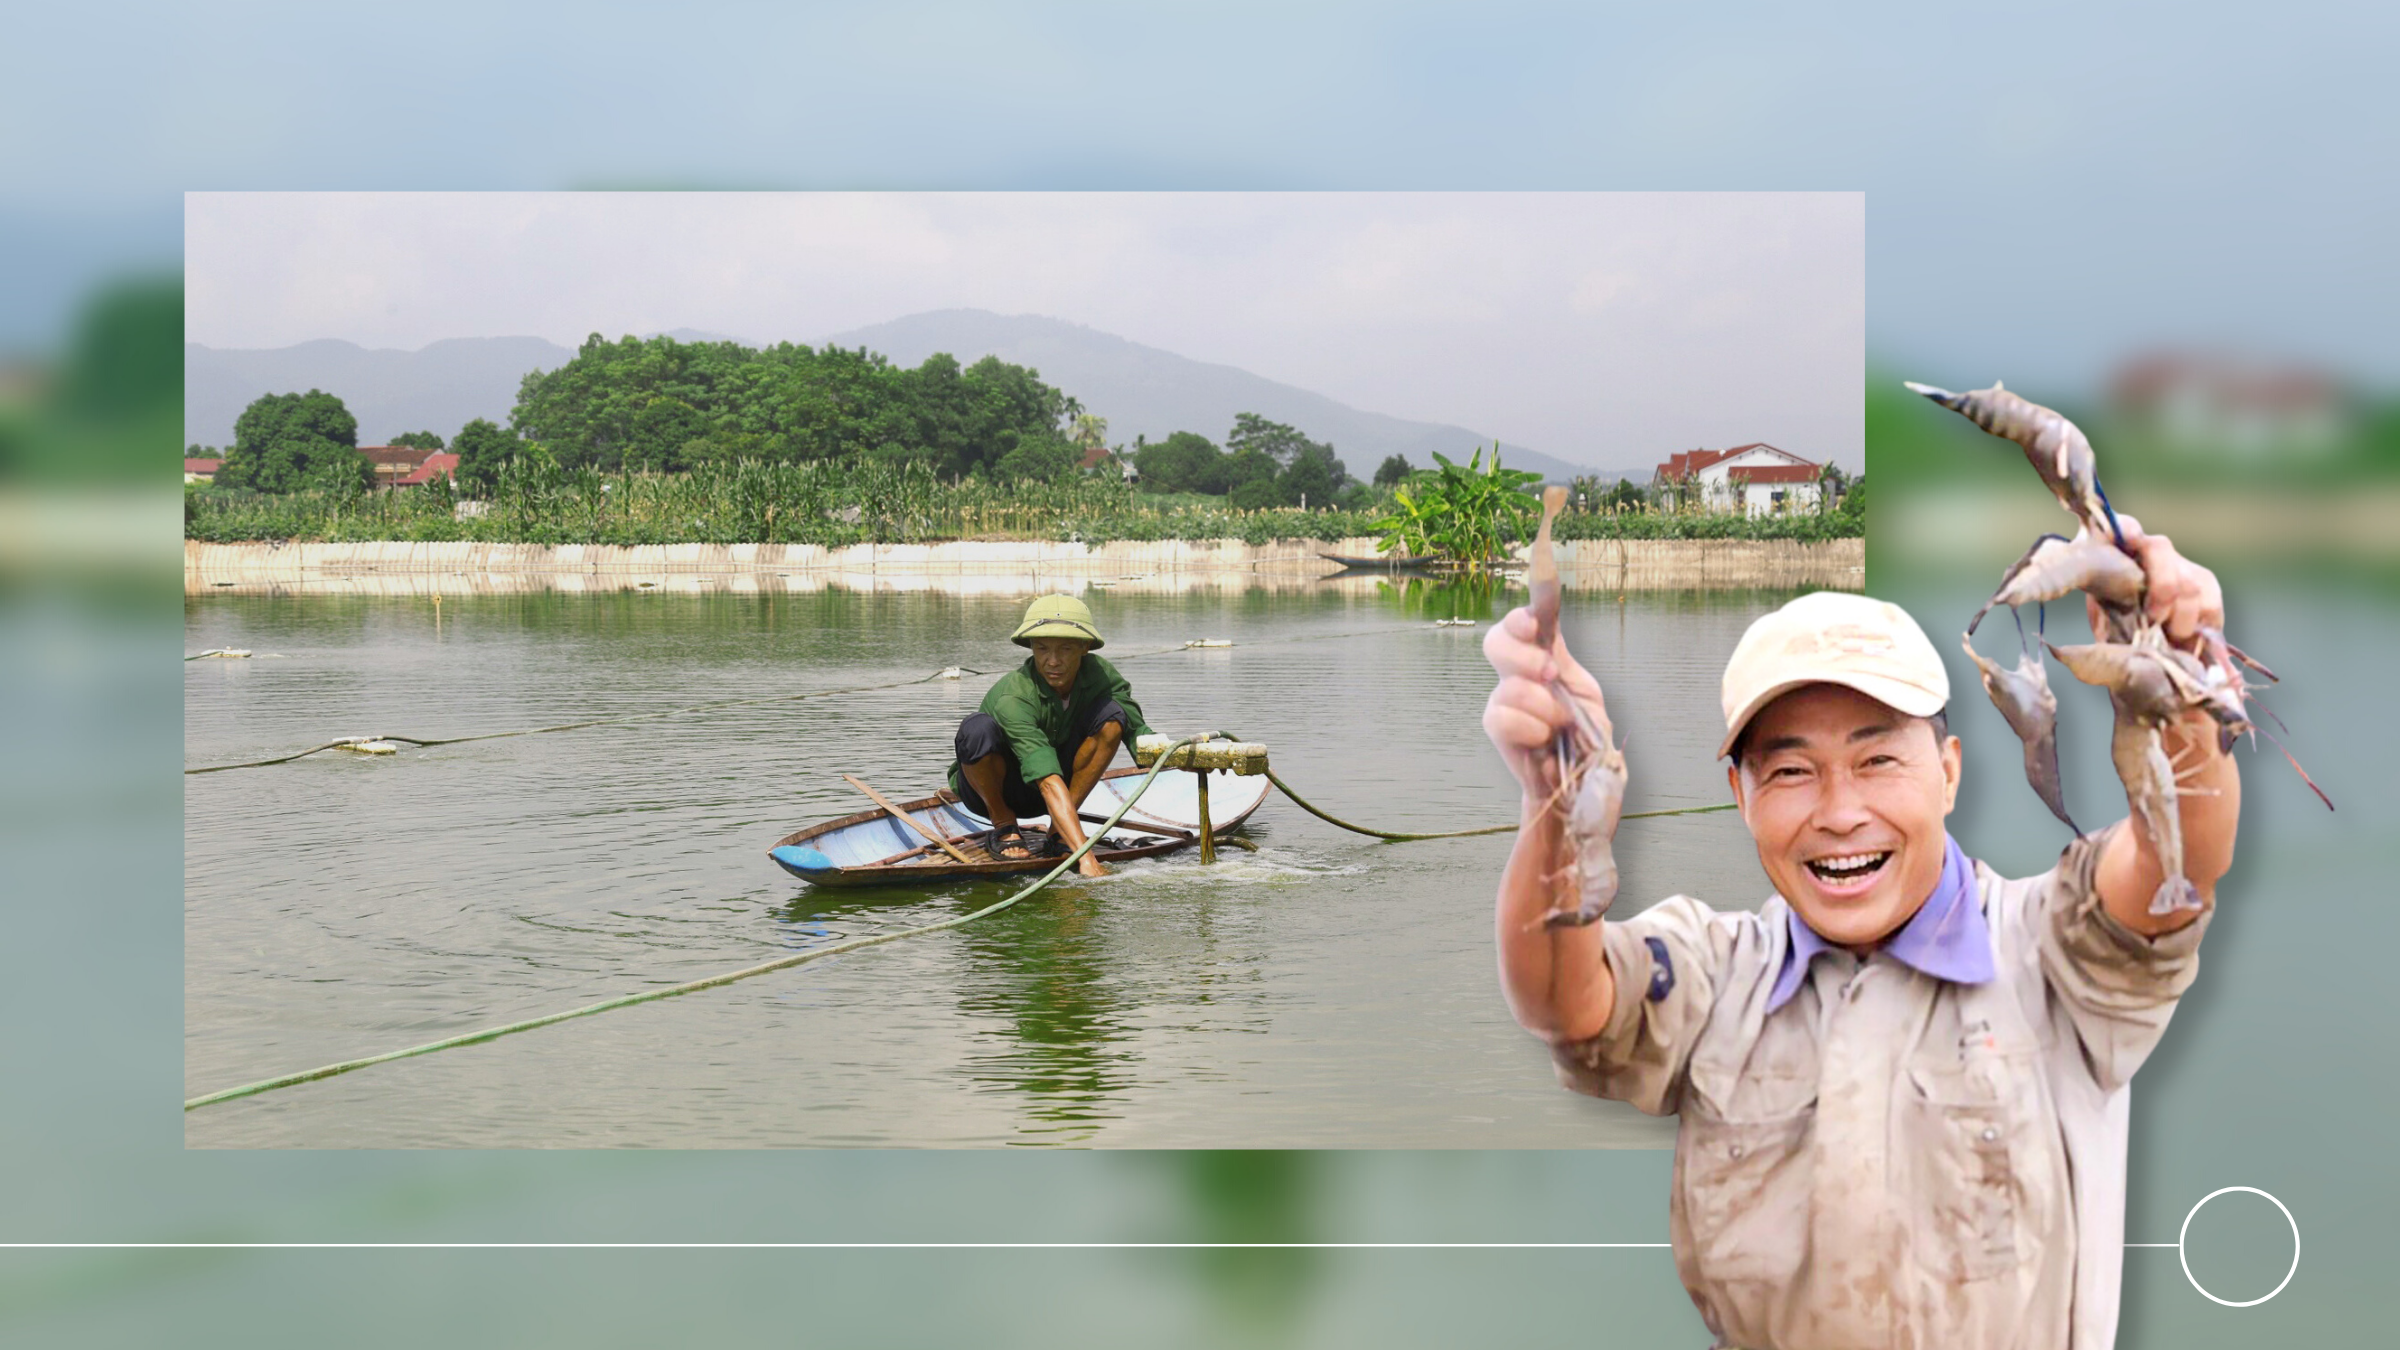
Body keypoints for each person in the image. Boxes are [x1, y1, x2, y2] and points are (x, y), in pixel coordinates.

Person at [1480, 520, 2235, 1350]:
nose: (1839, 814)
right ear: (1741, 795)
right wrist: (1559, 808)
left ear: (1948, 771)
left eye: (1878, 761)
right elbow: (1563, 1001)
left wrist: (2182, 679)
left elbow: (2178, 866)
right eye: (1792, 771)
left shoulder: (2051, 950)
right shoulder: (1715, 974)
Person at [950, 594, 1152, 878]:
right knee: (976, 729)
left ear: (1084, 648)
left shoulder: (1101, 675)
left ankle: (1058, 833)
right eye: (1042, 649)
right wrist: (1086, 858)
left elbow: (1138, 732)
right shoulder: (1014, 696)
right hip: (1001, 790)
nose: (1052, 661)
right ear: (1031, 647)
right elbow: (1045, 777)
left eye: (1065, 649)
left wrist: (1178, 757)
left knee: (1113, 715)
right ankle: (1005, 825)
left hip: (1061, 790)